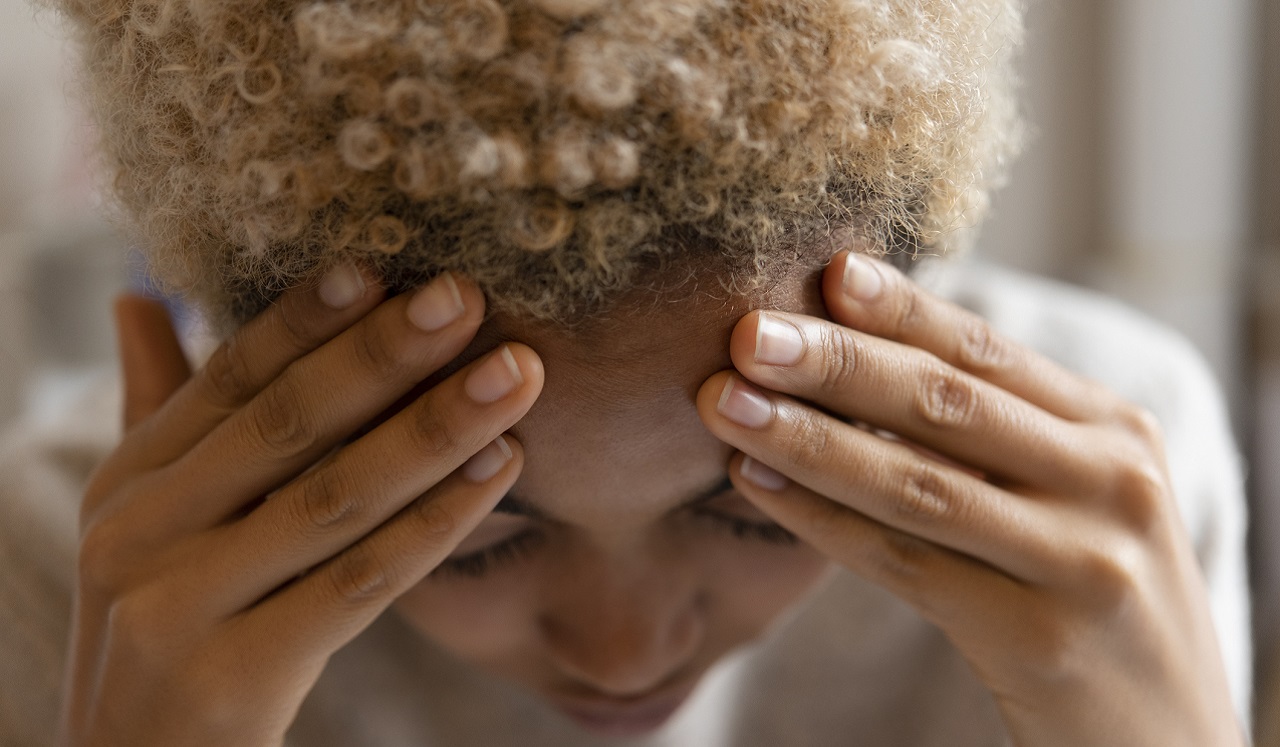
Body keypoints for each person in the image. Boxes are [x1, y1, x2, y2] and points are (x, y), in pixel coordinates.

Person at [0, 0, 1252, 744]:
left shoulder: (1090, 529)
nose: (623, 653)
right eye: (478, 540)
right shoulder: (72, 588)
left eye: (755, 505)